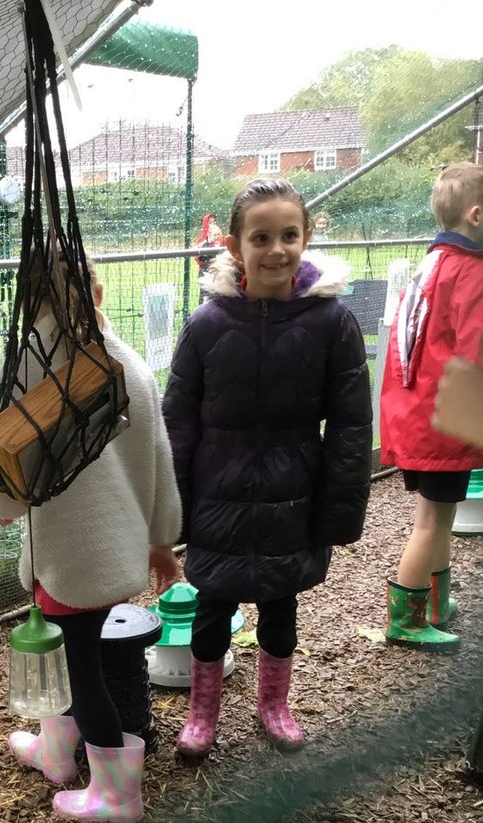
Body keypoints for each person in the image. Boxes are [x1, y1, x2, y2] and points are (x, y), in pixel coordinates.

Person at [163, 177, 372, 758]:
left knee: (281, 604)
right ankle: (202, 715)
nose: (276, 249)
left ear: (306, 237)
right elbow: (177, 422)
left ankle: (274, 705)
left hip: (294, 489)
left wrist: (339, 510)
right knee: (212, 606)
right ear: (235, 246)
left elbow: (352, 425)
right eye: (261, 237)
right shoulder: (206, 325)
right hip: (217, 491)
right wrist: (173, 510)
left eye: (288, 235)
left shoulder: (332, 324)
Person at [0, 257, 182, 823]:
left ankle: (117, 795)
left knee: (79, 668)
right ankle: (54, 751)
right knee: (76, 657)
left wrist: (0, 502)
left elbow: (3, 460)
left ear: (26, 305)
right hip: (114, 554)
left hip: (68, 556)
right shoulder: (126, 364)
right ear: (97, 290)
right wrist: (162, 537)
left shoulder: (33, 370)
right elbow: (159, 458)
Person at [379, 162, 483, 651]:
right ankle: (406, 618)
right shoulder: (472, 272)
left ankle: (437, 604)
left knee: (437, 513)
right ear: (477, 215)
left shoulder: (429, 264)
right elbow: (476, 352)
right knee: (431, 521)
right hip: (448, 423)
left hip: (419, 418)